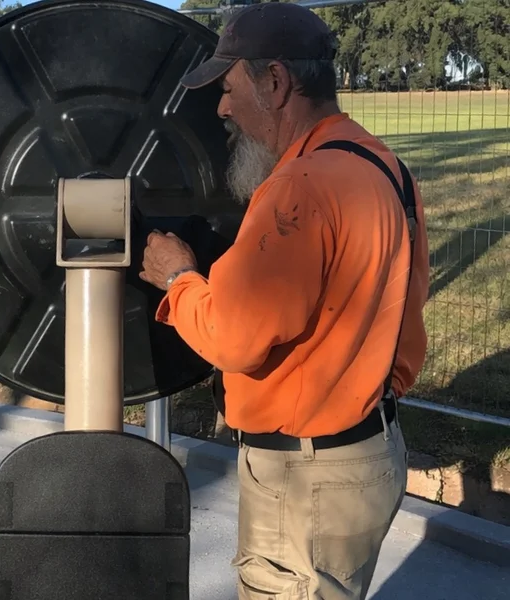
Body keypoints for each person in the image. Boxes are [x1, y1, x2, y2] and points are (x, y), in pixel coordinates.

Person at [139, 3, 430, 599]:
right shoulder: (384, 165)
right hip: (372, 451)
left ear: (275, 82)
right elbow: (407, 307)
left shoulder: (297, 187)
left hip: (307, 483)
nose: (221, 108)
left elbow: (233, 339)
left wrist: (178, 278)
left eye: (228, 88)